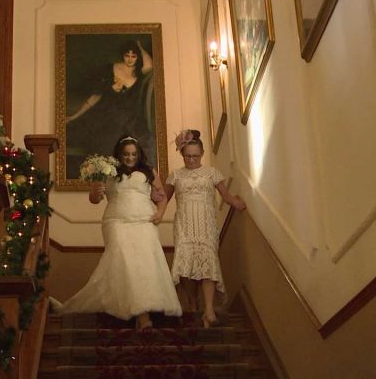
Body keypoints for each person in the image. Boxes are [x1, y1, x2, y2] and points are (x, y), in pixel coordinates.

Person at [59, 135, 182, 329]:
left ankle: (144, 311)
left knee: (144, 265)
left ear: (139, 154)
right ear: (119, 154)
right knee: (126, 263)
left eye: (133, 154)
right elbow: (94, 199)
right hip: (117, 222)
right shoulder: (107, 171)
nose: (130, 158)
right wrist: (96, 193)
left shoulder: (149, 172)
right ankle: (143, 317)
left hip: (144, 222)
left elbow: (162, 197)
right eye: (126, 154)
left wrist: (160, 213)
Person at [164, 129, 246, 328]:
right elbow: (162, 200)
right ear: (182, 154)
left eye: (195, 156)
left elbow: (226, 196)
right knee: (185, 267)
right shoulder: (175, 176)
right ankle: (192, 304)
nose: (191, 159)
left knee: (207, 263)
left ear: (201, 155)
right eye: (187, 156)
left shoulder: (212, 173)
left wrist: (236, 202)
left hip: (206, 224)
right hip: (184, 225)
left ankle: (209, 311)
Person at [65, 40, 155, 179]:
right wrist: (74, 116)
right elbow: (95, 96)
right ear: (122, 56)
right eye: (127, 55)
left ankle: (122, 176)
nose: (130, 59)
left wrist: (139, 47)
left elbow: (150, 65)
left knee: (134, 140)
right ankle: (103, 175)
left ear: (138, 57)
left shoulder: (139, 72)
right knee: (100, 138)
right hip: (105, 113)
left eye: (133, 56)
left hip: (127, 117)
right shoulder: (111, 68)